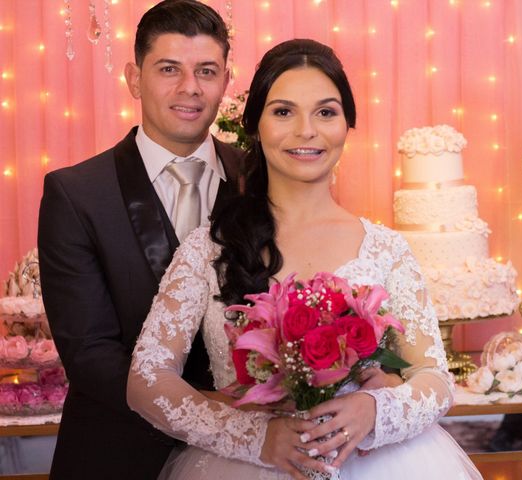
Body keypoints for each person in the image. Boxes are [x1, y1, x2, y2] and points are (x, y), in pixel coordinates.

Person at [127, 38, 482, 480]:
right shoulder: (208, 248)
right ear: (254, 124)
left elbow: (435, 378)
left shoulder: (386, 249)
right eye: (283, 111)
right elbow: (146, 380)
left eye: (326, 112)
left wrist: (374, 409)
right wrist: (253, 437)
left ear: (347, 125)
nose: (306, 130)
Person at [37, 1, 243, 479]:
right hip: (119, 454)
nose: (190, 88)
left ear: (226, 82)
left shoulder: (262, 180)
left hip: (246, 463)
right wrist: (218, 417)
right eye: (169, 68)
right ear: (134, 78)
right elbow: (89, 353)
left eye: (207, 71)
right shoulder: (76, 193)